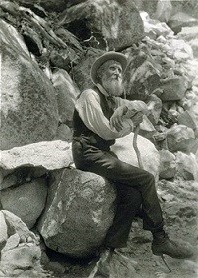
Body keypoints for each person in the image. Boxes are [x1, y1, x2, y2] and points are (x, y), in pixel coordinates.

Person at [72, 51, 193, 275]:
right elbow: (106, 131)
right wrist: (129, 121)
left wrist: (124, 108)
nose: (117, 73)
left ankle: (110, 248)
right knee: (145, 178)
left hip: (102, 153)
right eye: (112, 69)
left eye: (119, 70)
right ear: (100, 74)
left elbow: (143, 106)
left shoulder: (113, 99)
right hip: (87, 153)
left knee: (133, 194)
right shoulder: (89, 95)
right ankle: (160, 238)